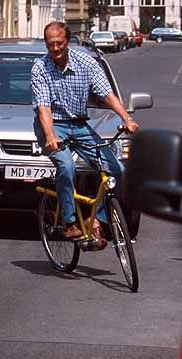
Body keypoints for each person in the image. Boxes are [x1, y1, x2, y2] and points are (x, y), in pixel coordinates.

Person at [31, 21, 139, 248]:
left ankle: (96, 220)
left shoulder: (86, 63)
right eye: (50, 45)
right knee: (67, 167)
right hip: (52, 125)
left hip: (80, 126)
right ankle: (69, 222)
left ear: (67, 42)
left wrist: (126, 118)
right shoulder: (40, 68)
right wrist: (50, 136)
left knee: (117, 170)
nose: (55, 49)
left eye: (59, 43)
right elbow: (44, 108)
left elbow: (106, 93)